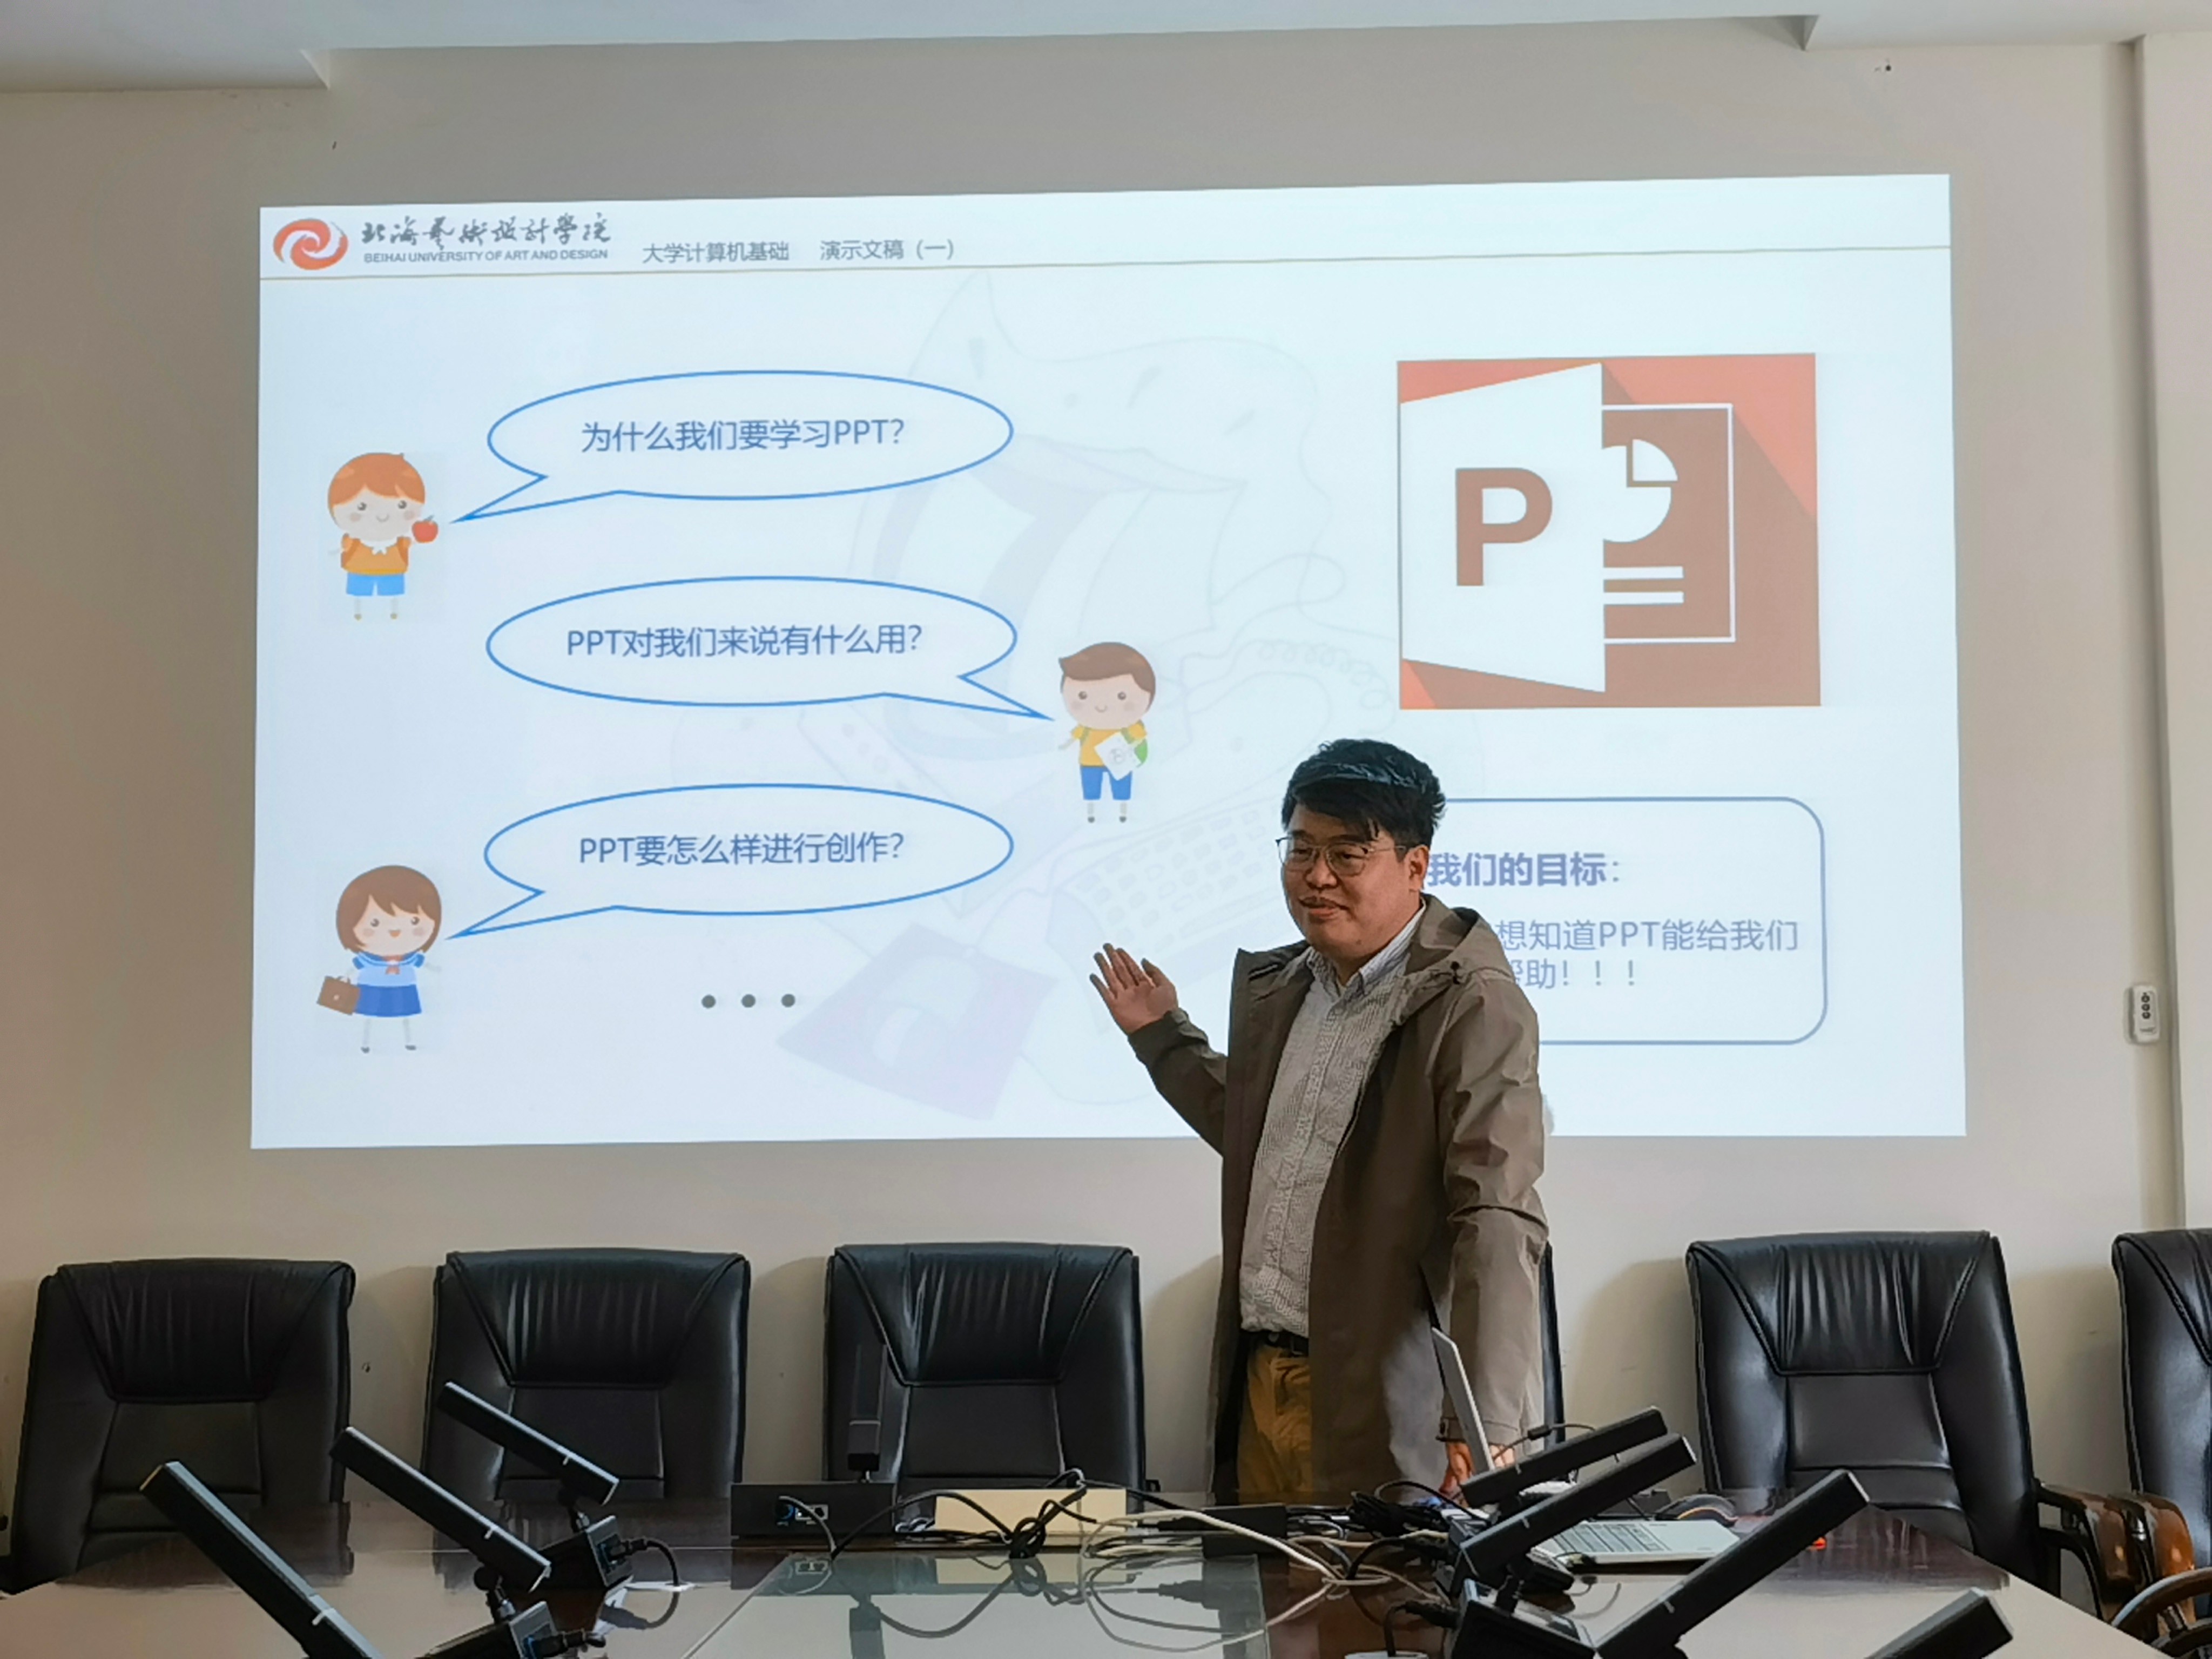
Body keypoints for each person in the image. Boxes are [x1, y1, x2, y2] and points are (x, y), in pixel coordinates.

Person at [1090, 738, 1546, 1503]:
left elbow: (1497, 1213)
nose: (1317, 875)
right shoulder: (1289, 986)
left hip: (1381, 1399)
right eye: (1300, 848)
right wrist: (1162, 1038)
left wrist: (1484, 1416)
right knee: (1266, 1583)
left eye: (1347, 853)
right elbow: (1260, 1134)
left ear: (1415, 866)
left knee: (1382, 1585)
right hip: (1261, 1379)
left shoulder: (1470, 1002)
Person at [336, 865, 442, 1053]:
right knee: (369, 1018)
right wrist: (344, 978)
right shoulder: (368, 959)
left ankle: (409, 1042)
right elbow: (354, 967)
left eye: (414, 921)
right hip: (371, 988)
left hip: (403, 987)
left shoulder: (409, 958)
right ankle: (366, 1044)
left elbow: (426, 964)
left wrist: (440, 970)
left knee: (405, 1017)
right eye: (375, 923)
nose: (395, 931)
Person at [328, 453, 437, 621]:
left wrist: (425, 534)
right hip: (359, 569)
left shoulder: (399, 541)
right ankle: (358, 612)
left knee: (392, 592)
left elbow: (412, 542)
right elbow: (341, 548)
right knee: (359, 592)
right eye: (362, 507)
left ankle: (393, 612)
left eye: (402, 505)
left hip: (392, 570)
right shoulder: (354, 541)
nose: (382, 516)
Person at [1057, 642, 1154, 824]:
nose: (1101, 706)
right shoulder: (1087, 727)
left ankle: (1123, 811)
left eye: (1122, 696)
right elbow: (1074, 736)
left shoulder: (1128, 727)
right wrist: (1065, 744)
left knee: (1122, 787)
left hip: (1118, 760)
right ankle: (1091, 812)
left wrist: (1132, 747)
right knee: (1091, 789)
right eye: (1083, 696)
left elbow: (1139, 737)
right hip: (1090, 760)